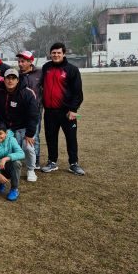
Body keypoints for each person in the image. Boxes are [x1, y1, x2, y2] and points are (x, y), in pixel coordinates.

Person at [40, 42, 85, 175]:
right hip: (49, 112)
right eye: (53, 53)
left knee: (71, 138)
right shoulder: (46, 67)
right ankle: (52, 162)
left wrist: (73, 110)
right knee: (51, 137)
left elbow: (78, 93)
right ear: (50, 54)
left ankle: (73, 164)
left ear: (64, 54)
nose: (56, 55)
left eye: (59, 53)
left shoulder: (72, 70)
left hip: (67, 112)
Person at [0, 68, 39, 182]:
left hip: (25, 127)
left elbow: (33, 115)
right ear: (4, 80)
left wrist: (29, 134)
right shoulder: (0, 92)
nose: (10, 81)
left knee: (27, 147)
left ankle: (30, 170)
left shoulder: (27, 93)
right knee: (6, 147)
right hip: (9, 127)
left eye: (13, 78)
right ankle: (8, 169)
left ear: (18, 80)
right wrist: (3, 129)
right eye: (8, 78)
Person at [0, 121, 25, 202]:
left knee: (17, 163)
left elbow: (21, 154)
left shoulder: (12, 139)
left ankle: (14, 189)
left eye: (0, 133)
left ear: (6, 133)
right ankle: (1, 183)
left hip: (10, 166)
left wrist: (6, 158)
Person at [17, 50, 43, 169]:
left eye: (23, 61)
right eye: (19, 61)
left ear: (30, 61)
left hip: (35, 110)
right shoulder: (16, 75)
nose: (20, 64)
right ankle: (18, 158)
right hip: (19, 111)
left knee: (34, 135)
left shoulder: (40, 73)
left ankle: (36, 160)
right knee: (18, 135)